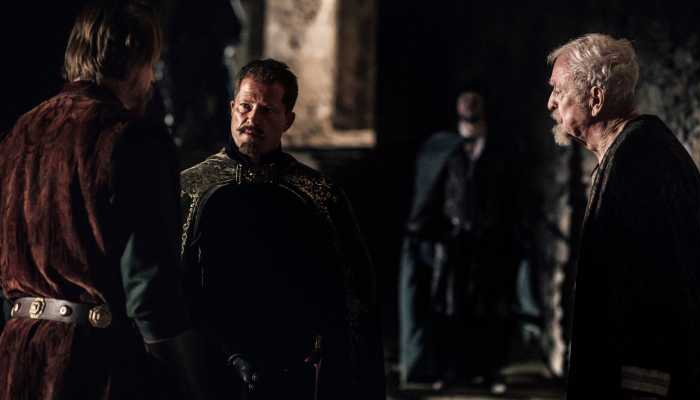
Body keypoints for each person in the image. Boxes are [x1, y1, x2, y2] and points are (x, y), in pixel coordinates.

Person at [0, 1, 213, 399]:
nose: (153, 79)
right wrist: (189, 382)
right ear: (134, 60)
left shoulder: (19, 134)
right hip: (95, 369)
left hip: (17, 360)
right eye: (152, 64)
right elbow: (150, 292)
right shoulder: (132, 138)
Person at [179, 58, 386, 399]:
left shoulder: (319, 195)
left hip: (293, 368)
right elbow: (169, 288)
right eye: (246, 107)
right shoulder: (190, 189)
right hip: (209, 366)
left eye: (267, 110)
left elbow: (354, 294)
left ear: (287, 120)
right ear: (232, 108)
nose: (252, 119)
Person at [547, 33, 700, 399]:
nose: (551, 103)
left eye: (559, 91)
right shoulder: (638, 150)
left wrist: (642, 384)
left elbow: (654, 284)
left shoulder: (637, 161)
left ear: (595, 99)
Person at [399, 91, 521, 388]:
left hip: (486, 242)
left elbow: (508, 196)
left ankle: (485, 371)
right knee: (448, 306)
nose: (469, 119)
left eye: (474, 114)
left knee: (486, 305)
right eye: (465, 114)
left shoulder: (497, 152)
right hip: (452, 242)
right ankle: (447, 372)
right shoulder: (446, 150)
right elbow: (432, 193)